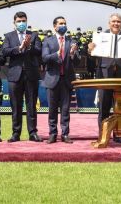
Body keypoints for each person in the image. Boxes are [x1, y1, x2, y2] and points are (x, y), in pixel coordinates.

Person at [88, 13, 121, 143]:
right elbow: (93, 57)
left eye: (118, 21)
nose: (116, 23)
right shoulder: (100, 37)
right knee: (104, 107)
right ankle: (103, 134)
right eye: (113, 21)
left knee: (120, 107)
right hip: (104, 75)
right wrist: (90, 50)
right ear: (109, 23)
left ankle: (118, 135)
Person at [2, 11, 42, 142]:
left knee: (31, 105)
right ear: (14, 23)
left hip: (31, 74)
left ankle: (32, 132)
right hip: (15, 75)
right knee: (16, 105)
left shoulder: (34, 35)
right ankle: (16, 133)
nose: (21, 23)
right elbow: (5, 51)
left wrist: (28, 46)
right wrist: (19, 48)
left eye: (23, 21)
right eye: (18, 21)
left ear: (27, 22)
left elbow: (39, 51)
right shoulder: (8, 36)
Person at [42, 16, 80, 144]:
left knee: (65, 110)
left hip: (67, 80)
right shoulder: (48, 41)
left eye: (64, 23)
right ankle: (52, 134)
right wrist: (56, 54)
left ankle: (65, 134)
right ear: (55, 26)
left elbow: (78, 61)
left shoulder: (72, 41)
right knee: (52, 110)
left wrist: (73, 54)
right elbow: (45, 58)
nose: (63, 25)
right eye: (60, 23)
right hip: (52, 79)